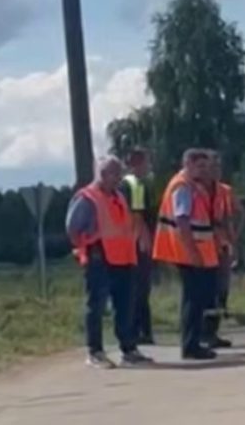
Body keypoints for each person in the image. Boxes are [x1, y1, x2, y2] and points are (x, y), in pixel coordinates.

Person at [65, 156, 151, 369]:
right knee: (96, 305)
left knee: (125, 305)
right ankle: (95, 352)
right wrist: (85, 248)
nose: (118, 179)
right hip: (99, 257)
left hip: (123, 257)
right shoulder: (87, 198)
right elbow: (72, 228)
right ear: (102, 174)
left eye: (119, 174)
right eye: (114, 174)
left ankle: (128, 349)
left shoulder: (119, 196)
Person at [153, 148, 220, 360]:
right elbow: (182, 221)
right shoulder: (182, 187)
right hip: (187, 253)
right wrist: (193, 253)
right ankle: (190, 345)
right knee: (192, 300)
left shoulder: (191, 186)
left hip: (191, 251)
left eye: (206, 166)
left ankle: (193, 342)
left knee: (195, 298)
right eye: (200, 166)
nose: (204, 171)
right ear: (188, 165)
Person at [120, 147, 157, 346]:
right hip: (137, 243)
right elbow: (137, 214)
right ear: (135, 163)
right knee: (139, 289)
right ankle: (138, 331)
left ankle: (143, 330)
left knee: (141, 289)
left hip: (133, 242)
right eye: (145, 162)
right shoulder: (134, 185)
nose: (148, 166)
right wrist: (144, 240)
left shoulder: (134, 184)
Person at [203, 152, 239, 350]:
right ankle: (203, 332)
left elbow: (234, 215)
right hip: (204, 245)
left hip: (221, 244)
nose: (216, 170)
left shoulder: (224, 190)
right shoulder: (199, 189)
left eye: (218, 166)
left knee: (221, 291)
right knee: (206, 291)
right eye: (212, 166)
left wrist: (234, 239)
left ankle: (212, 331)